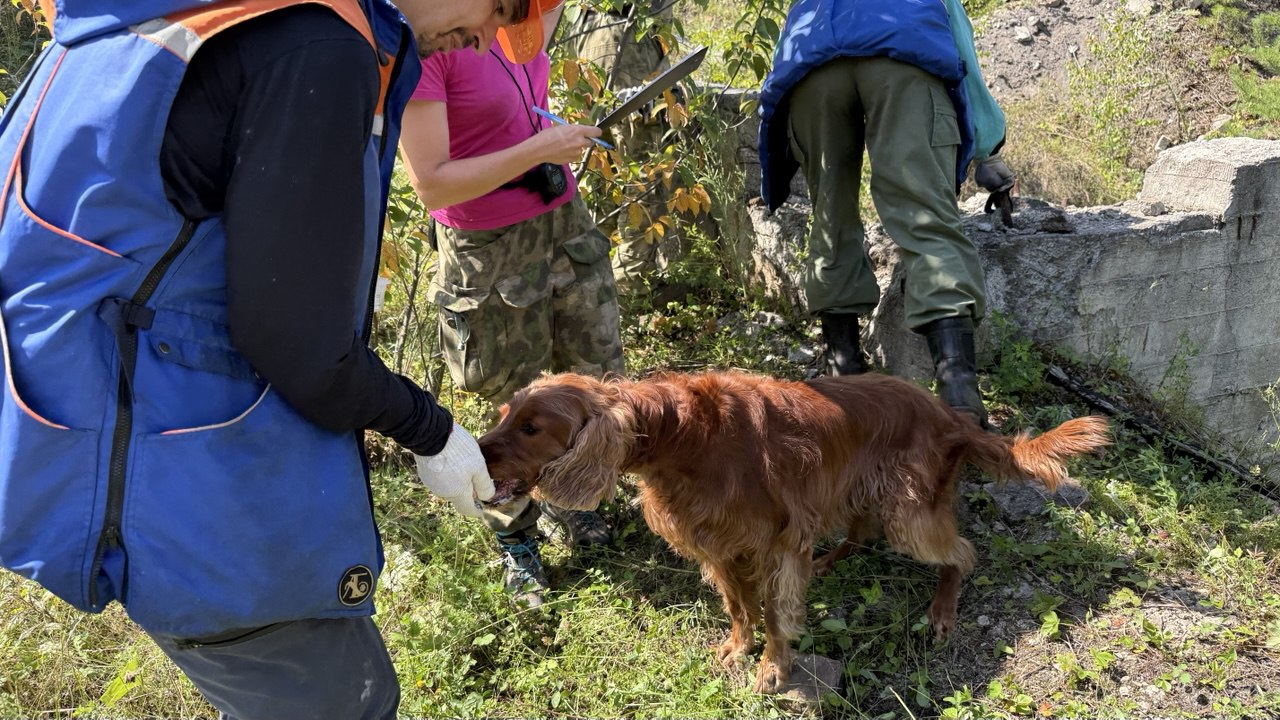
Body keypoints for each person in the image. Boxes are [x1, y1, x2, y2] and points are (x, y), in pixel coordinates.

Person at [0, 1, 535, 718]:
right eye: (499, 6)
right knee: (343, 705)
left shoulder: (172, 14)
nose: (487, 38)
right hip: (185, 486)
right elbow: (298, 341)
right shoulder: (314, 45)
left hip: (64, 428)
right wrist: (428, 428)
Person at [398, 0, 623, 608]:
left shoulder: (516, 19)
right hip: (487, 248)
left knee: (595, 373)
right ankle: (516, 536)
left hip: (563, 226)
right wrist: (541, 147)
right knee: (509, 396)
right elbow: (433, 182)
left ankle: (577, 499)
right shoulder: (431, 42)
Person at [757, 0, 1017, 428]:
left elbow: (790, 41)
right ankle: (959, 404)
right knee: (926, 219)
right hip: (903, 55)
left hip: (812, 67)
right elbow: (958, 48)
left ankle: (845, 391)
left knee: (830, 222)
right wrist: (987, 150)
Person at [564, 0, 689, 294]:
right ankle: (627, 290)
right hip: (629, 37)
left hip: (592, 33)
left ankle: (584, 277)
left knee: (601, 166)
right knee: (642, 177)